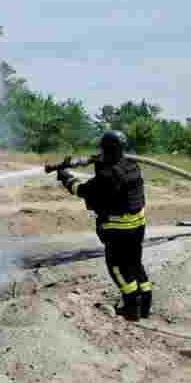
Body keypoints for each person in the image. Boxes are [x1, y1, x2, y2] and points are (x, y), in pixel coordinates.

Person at [57, 130, 151, 321]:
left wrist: (65, 176)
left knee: (117, 267)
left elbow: (82, 190)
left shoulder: (107, 176)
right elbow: (111, 169)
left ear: (107, 149)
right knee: (134, 264)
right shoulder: (132, 165)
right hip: (137, 225)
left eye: (102, 149)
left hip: (119, 230)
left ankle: (131, 309)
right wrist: (93, 161)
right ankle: (145, 305)